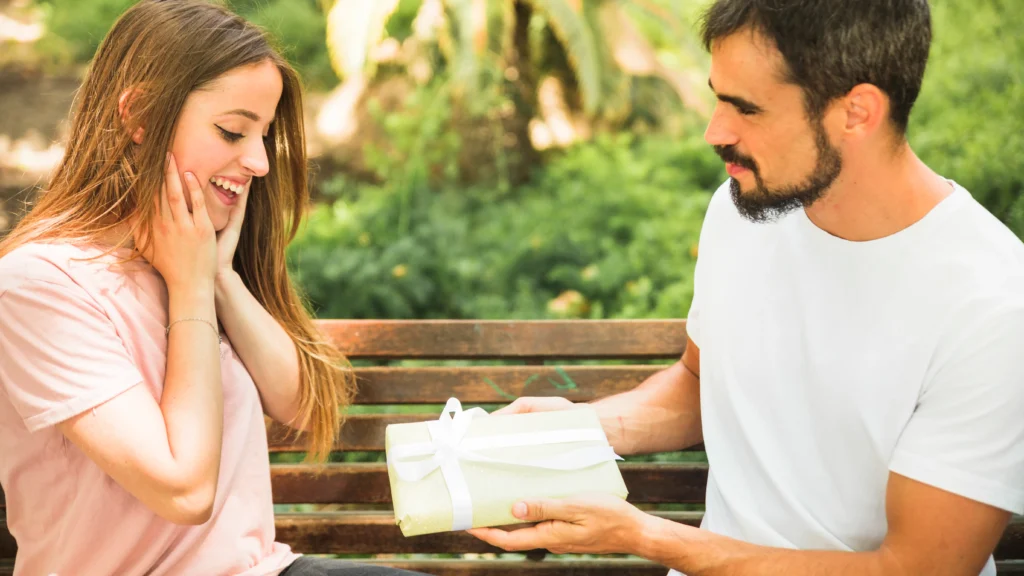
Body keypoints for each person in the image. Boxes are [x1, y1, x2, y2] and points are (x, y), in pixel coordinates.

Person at [469, 1, 1024, 575]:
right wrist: (581, 429)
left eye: (746, 108)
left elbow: (914, 571)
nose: (715, 131)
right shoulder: (746, 210)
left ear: (857, 112)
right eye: (717, 96)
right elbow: (697, 384)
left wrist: (646, 537)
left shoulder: (992, 306)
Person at [0, 2, 426, 575]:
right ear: (140, 114)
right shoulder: (41, 285)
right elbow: (184, 491)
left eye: (263, 135)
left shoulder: (195, 257)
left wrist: (218, 277)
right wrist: (191, 288)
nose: (258, 162)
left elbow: (300, 406)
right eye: (232, 130)